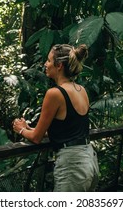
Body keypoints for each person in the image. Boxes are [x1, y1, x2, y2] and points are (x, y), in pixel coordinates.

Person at [13, 44, 99, 191]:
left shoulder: (55, 93)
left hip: (72, 165)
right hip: (89, 159)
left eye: (48, 60)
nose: (45, 64)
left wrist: (21, 129)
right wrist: (31, 128)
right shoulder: (81, 90)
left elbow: (36, 138)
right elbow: (68, 129)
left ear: (59, 65)